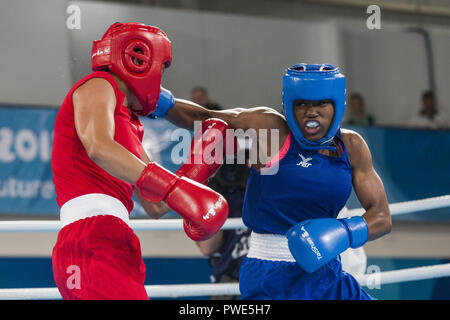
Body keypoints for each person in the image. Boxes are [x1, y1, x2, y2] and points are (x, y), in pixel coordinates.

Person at [153, 63, 392, 300]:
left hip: (328, 272)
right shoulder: (270, 129)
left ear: (337, 105)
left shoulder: (351, 146)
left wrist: (344, 232)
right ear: (289, 106)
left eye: (321, 103)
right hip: (271, 273)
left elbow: (381, 217)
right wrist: (156, 99)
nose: (312, 112)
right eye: (302, 104)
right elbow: (205, 117)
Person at [51, 22, 230, 300]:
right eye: (162, 68)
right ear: (138, 59)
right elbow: (98, 147)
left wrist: (197, 168)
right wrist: (174, 187)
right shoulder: (100, 84)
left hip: (114, 238)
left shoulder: (129, 125)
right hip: (92, 237)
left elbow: (155, 204)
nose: (160, 78)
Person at [197, 149, 252, 300]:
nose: (234, 171)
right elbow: (207, 248)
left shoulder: (269, 194)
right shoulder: (219, 199)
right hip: (229, 280)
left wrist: (255, 180)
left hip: (265, 278)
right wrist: (212, 197)